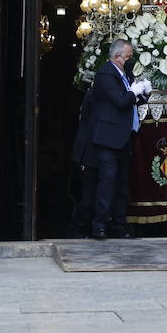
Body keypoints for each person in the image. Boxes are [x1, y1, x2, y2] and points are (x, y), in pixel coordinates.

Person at [89, 39, 151, 240]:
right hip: (109, 137)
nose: (130, 60)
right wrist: (134, 93)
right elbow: (120, 100)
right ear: (117, 57)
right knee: (108, 180)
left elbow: (131, 101)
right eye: (128, 57)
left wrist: (144, 95)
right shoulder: (106, 73)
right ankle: (100, 224)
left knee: (122, 183)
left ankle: (119, 224)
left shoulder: (124, 74)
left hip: (124, 136)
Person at [68, 84, 99, 238]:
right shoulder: (94, 95)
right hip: (87, 153)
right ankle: (77, 228)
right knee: (88, 197)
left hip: (90, 152)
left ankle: (86, 228)